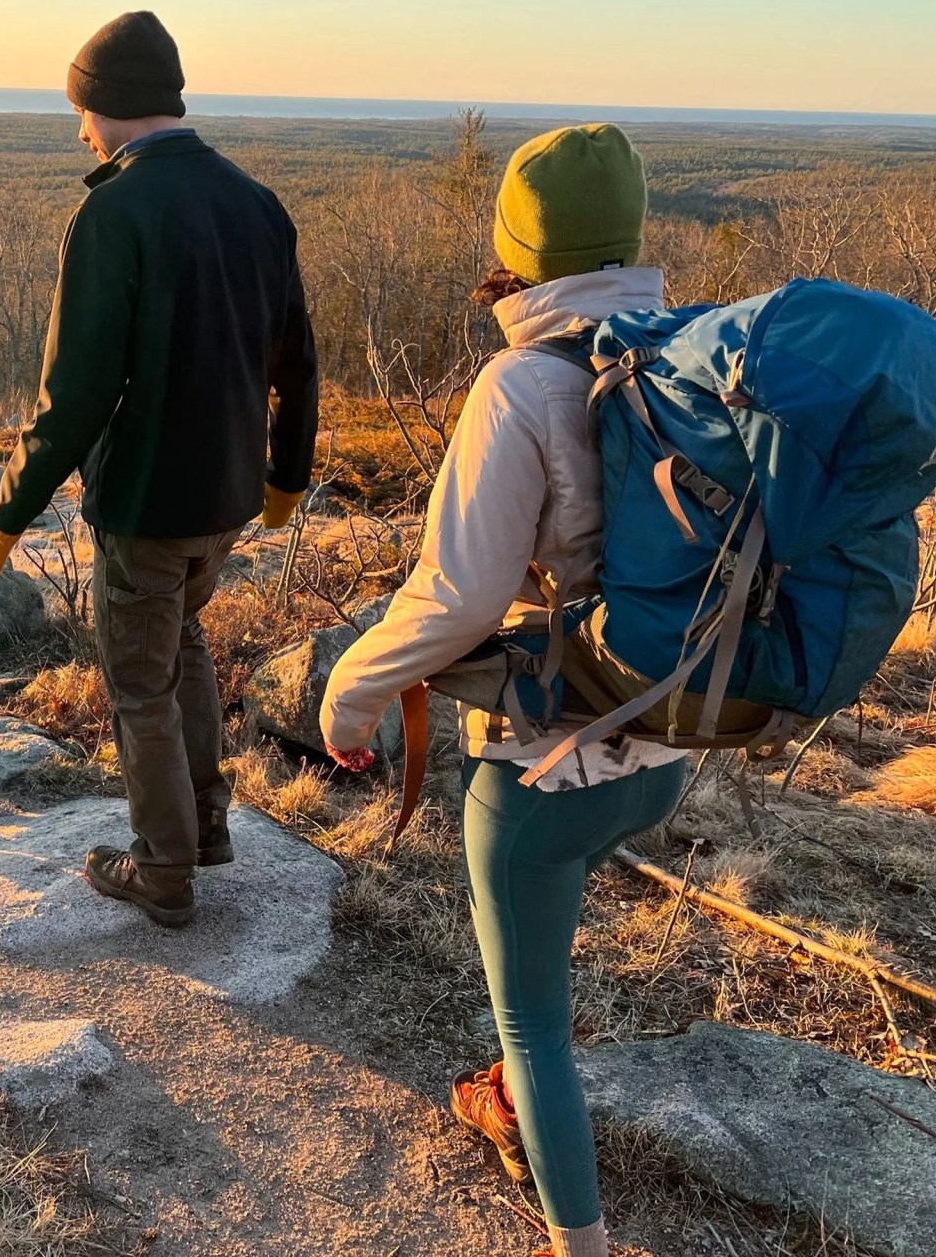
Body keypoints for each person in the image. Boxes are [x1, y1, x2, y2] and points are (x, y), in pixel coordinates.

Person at [318, 124, 685, 1257]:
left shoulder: (523, 381)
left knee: (533, 1016)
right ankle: (518, 1107)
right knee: (542, 964)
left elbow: (460, 597)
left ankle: (580, 1240)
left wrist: (349, 693)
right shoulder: (675, 357)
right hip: (666, 746)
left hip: (551, 768)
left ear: (519, 247)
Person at [0, 11, 318, 928]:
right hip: (229, 496)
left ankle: (163, 867)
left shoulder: (112, 212)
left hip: (148, 500)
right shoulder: (256, 202)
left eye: (80, 110)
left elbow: (74, 395)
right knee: (185, 646)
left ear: (106, 105)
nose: (79, 129)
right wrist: (287, 476)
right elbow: (297, 362)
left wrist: (7, 514)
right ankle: (203, 824)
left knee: (139, 682)